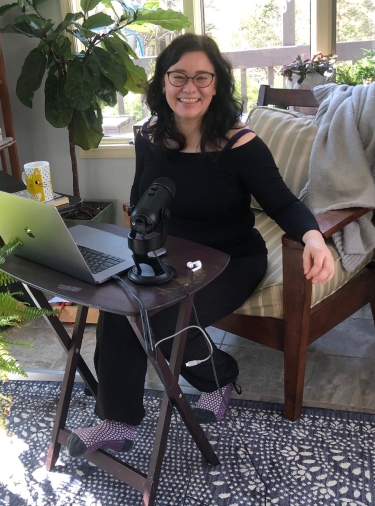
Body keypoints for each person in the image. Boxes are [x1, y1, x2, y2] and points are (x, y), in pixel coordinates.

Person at [66, 34, 335, 457]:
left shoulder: (239, 144)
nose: (189, 88)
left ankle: (220, 376)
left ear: (217, 85)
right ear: (163, 81)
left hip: (231, 259)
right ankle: (116, 422)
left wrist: (314, 237)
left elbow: (283, 202)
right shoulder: (151, 135)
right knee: (119, 310)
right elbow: (141, 196)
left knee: (162, 320)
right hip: (167, 255)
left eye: (202, 77)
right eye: (178, 76)